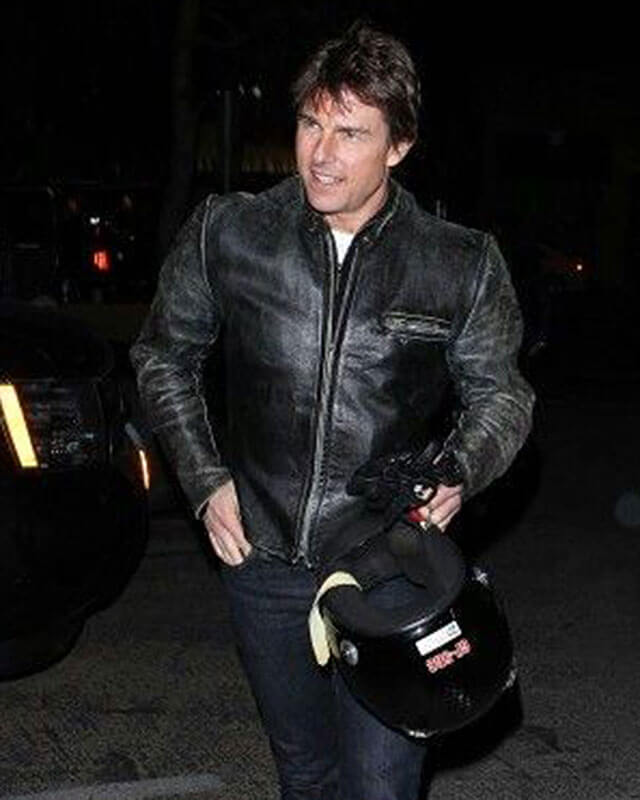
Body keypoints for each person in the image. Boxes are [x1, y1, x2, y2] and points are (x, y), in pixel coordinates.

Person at [131, 21, 534, 800]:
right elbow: (162, 357)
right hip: (262, 561)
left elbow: (503, 395)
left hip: (388, 559)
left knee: (379, 784)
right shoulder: (229, 232)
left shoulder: (459, 263)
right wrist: (206, 480)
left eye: (351, 133)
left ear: (399, 145)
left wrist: (460, 468)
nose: (321, 153)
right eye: (311, 123)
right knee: (306, 773)